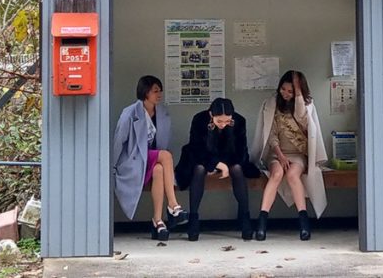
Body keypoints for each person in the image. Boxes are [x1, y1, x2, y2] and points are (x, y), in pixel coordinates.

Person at [250, 70, 328, 241]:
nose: (285, 94)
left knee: (293, 175)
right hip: (277, 153)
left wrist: (299, 93)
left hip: (298, 154)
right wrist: (280, 156)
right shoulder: (271, 104)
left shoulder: (307, 105)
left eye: (290, 91)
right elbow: (271, 135)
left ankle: (303, 222)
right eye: (283, 89)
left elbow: (302, 118)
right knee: (276, 174)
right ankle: (262, 222)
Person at [112, 76, 187, 241]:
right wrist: (113, 166)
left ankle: (158, 221)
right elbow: (119, 140)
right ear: (145, 92)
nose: (159, 94)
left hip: (151, 160)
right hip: (134, 160)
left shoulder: (162, 112)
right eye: (155, 91)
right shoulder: (130, 113)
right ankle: (173, 205)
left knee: (159, 170)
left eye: (160, 90)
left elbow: (163, 141)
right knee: (166, 156)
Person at [174, 98, 260, 241]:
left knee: (238, 169)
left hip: (230, 157)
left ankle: (245, 216)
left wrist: (226, 165)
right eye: (219, 121)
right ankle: (193, 218)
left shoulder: (239, 121)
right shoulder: (199, 119)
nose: (223, 125)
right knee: (199, 170)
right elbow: (196, 148)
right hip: (203, 157)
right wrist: (215, 164)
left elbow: (241, 151)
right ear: (211, 115)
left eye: (227, 121)